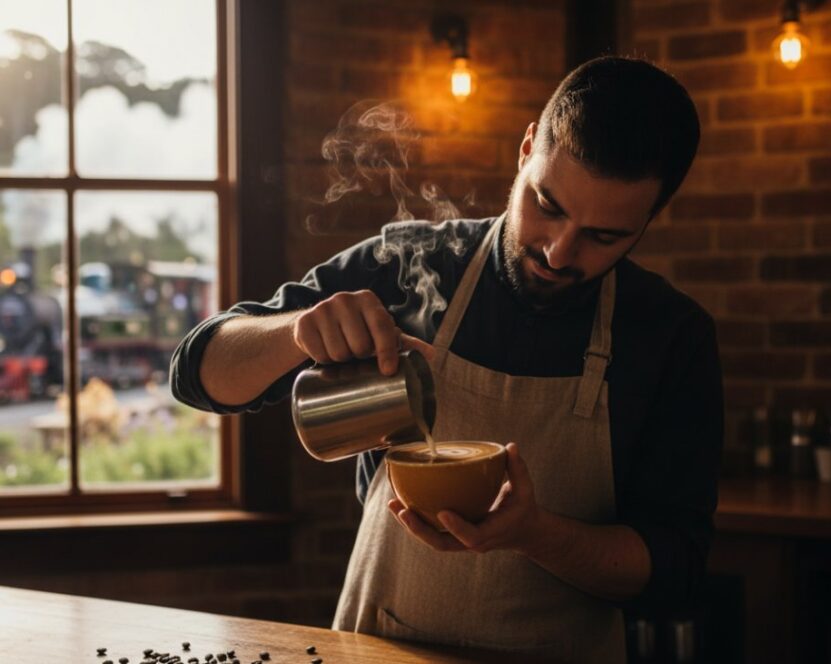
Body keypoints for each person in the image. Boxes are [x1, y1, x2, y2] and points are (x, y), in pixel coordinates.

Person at [171, 56, 723, 663]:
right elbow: (198, 376)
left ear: (649, 219)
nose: (559, 252)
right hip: (382, 646)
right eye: (548, 205)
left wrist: (536, 534)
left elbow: (673, 572)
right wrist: (296, 333)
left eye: (603, 236)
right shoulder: (412, 264)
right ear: (527, 148)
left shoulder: (671, 335)